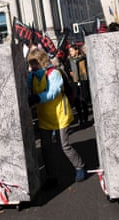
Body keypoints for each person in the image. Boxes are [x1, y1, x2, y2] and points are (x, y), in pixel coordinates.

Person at [27, 47, 86, 188]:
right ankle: (51, 176)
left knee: (64, 145)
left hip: (60, 114)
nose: (32, 67)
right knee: (46, 148)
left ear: (41, 61)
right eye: (31, 64)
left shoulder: (54, 73)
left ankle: (80, 167)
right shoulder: (32, 76)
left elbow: (53, 92)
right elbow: (26, 87)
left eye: (34, 64)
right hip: (45, 117)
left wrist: (36, 98)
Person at [67, 44, 90, 126]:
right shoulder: (70, 60)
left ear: (76, 50)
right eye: (70, 51)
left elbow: (87, 70)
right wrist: (70, 73)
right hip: (75, 82)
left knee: (84, 100)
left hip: (83, 81)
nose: (70, 52)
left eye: (72, 50)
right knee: (77, 101)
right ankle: (80, 118)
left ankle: (86, 118)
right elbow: (68, 70)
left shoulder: (83, 59)